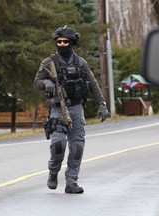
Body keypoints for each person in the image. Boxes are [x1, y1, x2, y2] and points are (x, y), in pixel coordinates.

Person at [33, 25, 110, 194]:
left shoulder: (80, 63)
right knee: (58, 144)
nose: (61, 44)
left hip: (76, 108)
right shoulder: (49, 62)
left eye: (65, 41)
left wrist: (102, 104)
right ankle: (53, 172)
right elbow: (36, 81)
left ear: (71, 42)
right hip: (57, 109)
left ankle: (71, 182)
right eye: (58, 41)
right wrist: (46, 83)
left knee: (77, 147)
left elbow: (93, 84)